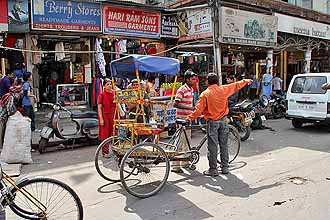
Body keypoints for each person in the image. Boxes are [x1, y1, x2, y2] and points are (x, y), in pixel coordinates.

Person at [186, 73, 252, 176]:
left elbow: (198, 110)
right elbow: (236, 85)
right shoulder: (223, 89)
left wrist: (189, 118)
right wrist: (246, 81)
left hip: (213, 122)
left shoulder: (205, 94)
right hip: (224, 121)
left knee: (212, 146)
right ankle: (225, 168)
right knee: (224, 144)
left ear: (207, 81)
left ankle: (213, 169)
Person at [172, 71, 197, 173]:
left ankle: (185, 162)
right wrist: (190, 107)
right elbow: (175, 104)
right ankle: (175, 165)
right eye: (192, 79)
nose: (194, 80)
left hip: (188, 119)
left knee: (187, 141)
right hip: (181, 119)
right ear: (187, 79)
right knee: (179, 142)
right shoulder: (182, 89)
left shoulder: (191, 89)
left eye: (194, 79)